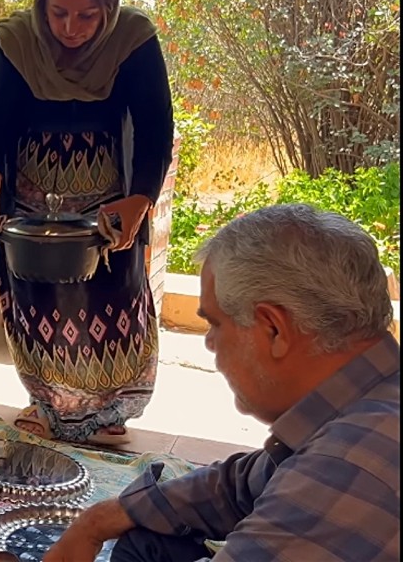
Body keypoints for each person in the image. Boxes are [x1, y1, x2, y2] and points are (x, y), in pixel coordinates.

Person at [44, 204, 400, 562]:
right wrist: (100, 518)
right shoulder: (367, 403)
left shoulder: (347, 466)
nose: (210, 342)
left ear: (273, 329)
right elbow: (243, 486)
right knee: (151, 538)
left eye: (215, 324)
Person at [0, 0, 174, 445]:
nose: (71, 28)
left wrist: (139, 200)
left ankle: (109, 410)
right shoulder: (17, 42)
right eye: (58, 13)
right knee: (38, 299)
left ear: (110, 8)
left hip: (107, 195)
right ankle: (47, 404)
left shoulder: (133, 39)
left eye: (88, 16)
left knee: (112, 297)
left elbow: (155, 129)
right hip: (30, 196)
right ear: (40, 4)